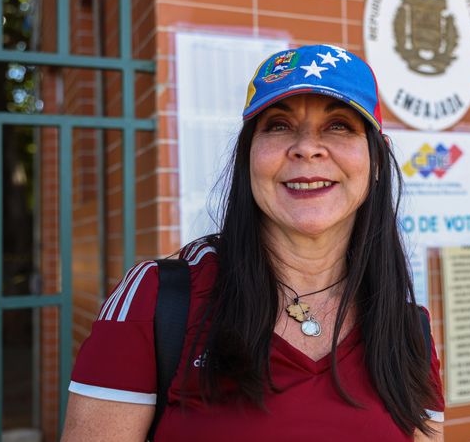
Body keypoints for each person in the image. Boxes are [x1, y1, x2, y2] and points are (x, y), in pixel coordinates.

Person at [61, 44, 445, 441]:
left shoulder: (408, 330)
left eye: (339, 126)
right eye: (279, 125)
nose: (307, 147)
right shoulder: (155, 299)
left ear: (377, 162)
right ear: (248, 159)